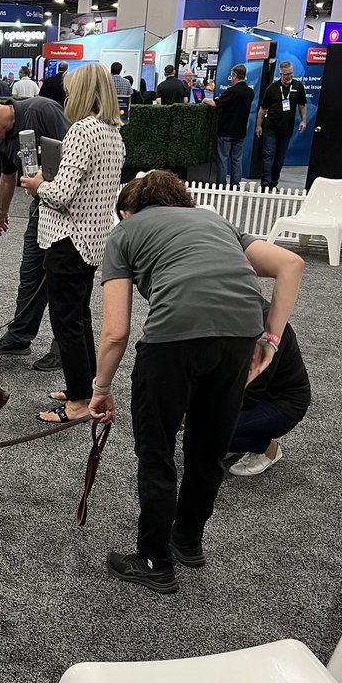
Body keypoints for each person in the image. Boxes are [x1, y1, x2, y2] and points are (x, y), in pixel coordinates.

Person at [88, 170, 304, 594]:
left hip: (172, 340)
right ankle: (187, 542)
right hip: (240, 335)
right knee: (208, 449)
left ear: (126, 210)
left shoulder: (125, 231)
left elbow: (115, 332)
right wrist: (271, 339)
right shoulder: (214, 220)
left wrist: (100, 388)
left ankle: (153, 561)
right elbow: (290, 264)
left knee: (157, 452)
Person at [19, 63, 125, 424]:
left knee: (67, 320)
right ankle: (85, 385)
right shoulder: (113, 133)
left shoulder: (82, 131)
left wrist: (36, 186)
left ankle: (79, 401)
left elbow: (61, 193)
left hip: (67, 238)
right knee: (78, 316)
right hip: (93, 239)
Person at [0, 93, 70, 367]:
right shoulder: (3, 139)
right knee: (31, 272)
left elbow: (73, 159)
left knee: (62, 278)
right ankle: (19, 336)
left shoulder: (42, 110)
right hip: (41, 207)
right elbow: (7, 175)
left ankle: (64, 347)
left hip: (68, 210)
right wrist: (2, 213)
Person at [228, 302, 310, 477]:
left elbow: (250, 394)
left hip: (283, 402)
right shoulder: (226, 312)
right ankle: (231, 440)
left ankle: (267, 450)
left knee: (208, 429)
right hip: (250, 391)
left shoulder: (267, 325)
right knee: (203, 433)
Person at [256, 60, 307, 190]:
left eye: (290, 73)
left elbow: (302, 105)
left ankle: (274, 183)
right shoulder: (272, 88)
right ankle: (265, 183)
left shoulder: (298, 86)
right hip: (271, 128)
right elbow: (263, 109)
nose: (289, 76)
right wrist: (259, 125)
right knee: (269, 156)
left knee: (279, 160)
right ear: (280, 74)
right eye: (286, 74)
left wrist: (303, 120)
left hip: (287, 129)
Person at [203, 63, 255, 188]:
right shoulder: (250, 92)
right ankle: (235, 185)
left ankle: (221, 184)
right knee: (237, 160)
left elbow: (216, 103)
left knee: (223, 159)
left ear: (235, 76)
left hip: (226, 130)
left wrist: (204, 100)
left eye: (232, 76)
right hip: (241, 131)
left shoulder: (232, 91)